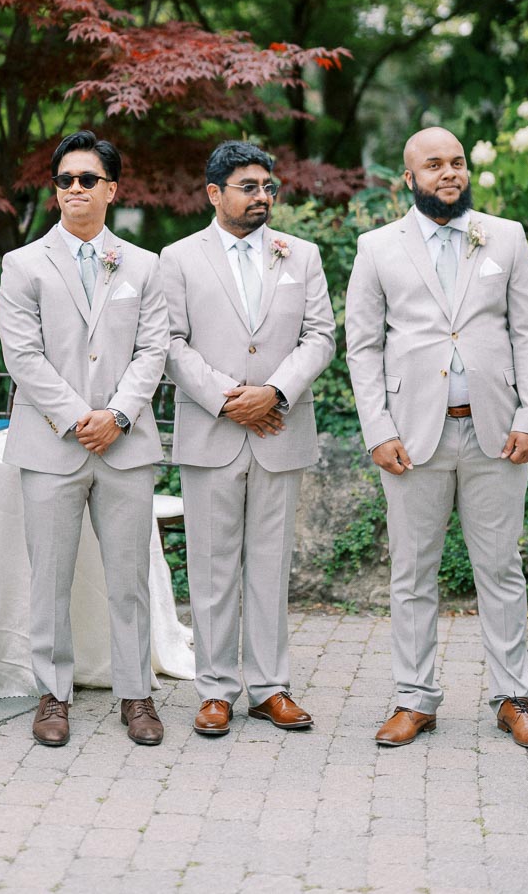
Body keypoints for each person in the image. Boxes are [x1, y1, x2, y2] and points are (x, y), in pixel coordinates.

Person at [345, 126, 528, 749]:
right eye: (433, 165)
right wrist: (378, 428)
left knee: (501, 570)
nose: (449, 173)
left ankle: (514, 697)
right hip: (412, 438)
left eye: (457, 162)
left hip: (496, 434)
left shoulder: (506, 237)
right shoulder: (377, 247)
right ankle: (415, 698)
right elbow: (363, 346)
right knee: (411, 574)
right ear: (409, 179)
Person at [0, 130, 170, 747]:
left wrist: (117, 415)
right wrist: (78, 417)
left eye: (87, 179)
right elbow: (21, 353)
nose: (74, 188)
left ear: (110, 189)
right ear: (55, 190)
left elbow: (154, 349)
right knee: (50, 577)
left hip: (125, 445)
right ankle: (53, 693)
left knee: (129, 576)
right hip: (50, 445)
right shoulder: (21, 265)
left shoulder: (145, 265)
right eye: (64, 179)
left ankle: (136, 694)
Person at [160, 141, 335, 737]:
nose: (262, 196)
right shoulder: (178, 258)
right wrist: (232, 397)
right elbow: (170, 342)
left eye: (268, 186)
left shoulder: (302, 256)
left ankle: (270, 687)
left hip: (280, 428)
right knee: (209, 568)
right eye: (249, 186)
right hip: (212, 430)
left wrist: (276, 393)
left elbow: (320, 336)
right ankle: (214, 690)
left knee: (270, 566)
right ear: (215, 193)